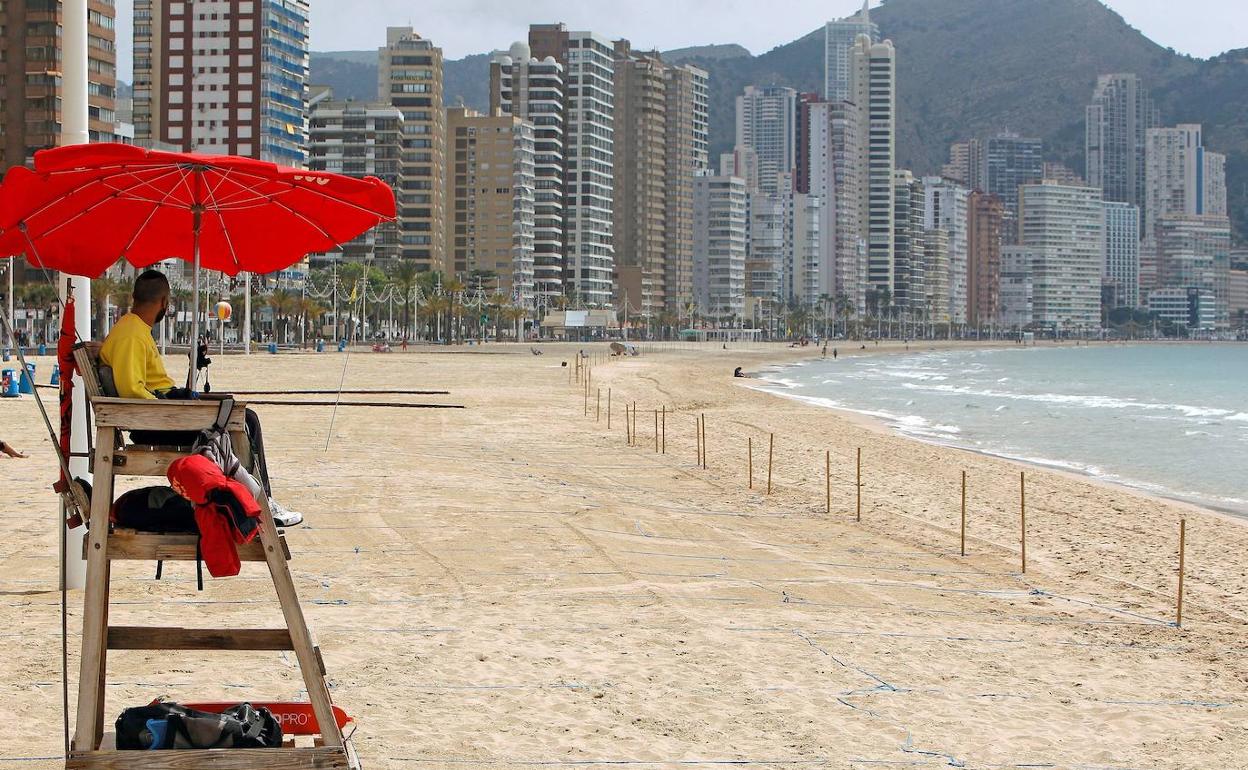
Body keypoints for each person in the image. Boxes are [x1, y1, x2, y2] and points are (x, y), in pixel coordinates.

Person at [101, 270, 303, 527]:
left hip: (163, 414)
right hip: (156, 422)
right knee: (244, 422)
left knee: (244, 417)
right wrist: (176, 411)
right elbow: (131, 391)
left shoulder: (135, 329)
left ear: (135, 296)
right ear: (165, 302)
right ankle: (262, 503)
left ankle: (259, 499)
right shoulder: (131, 334)